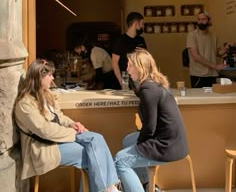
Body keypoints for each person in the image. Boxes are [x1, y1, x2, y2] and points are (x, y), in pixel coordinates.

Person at [14, 59, 121, 192]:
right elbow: (45, 131)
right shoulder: (25, 104)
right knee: (92, 153)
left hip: (57, 140)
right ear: (38, 77)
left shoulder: (46, 95)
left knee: (96, 139)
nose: (52, 78)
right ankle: (109, 188)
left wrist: (72, 124)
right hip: (42, 149)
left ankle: (109, 188)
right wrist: (73, 133)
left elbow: (60, 116)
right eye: (49, 75)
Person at [114, 49, 188, 192]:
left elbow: (149, 128)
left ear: (139, 67)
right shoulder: (154, 84)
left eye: (130, 66)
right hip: (173, 140)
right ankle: (146, 185)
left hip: (167, 145)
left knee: (120, 160)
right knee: (127, 141)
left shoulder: (149, 91)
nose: (127, 69)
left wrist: (140, 144)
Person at [186, 11, 231, 88]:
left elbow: (217, 53)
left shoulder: (213, 35)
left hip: (213, 74)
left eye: (203, 19)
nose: (201, 22)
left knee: (213, 98)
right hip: (199, 74)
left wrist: (226, 48)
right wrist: (216, 66)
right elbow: (196, 57)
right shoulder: (192, 36)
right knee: (200, 99)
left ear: (209, 21)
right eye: (199, 19)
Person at [112, 12, 147, 89]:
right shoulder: (120, 40)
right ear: (136, 23)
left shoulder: (141, 40)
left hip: (140, 79)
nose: (143, 26)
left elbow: (146, 61)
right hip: (125, 77)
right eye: (142, 24)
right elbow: (114, 63)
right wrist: (122, 82)